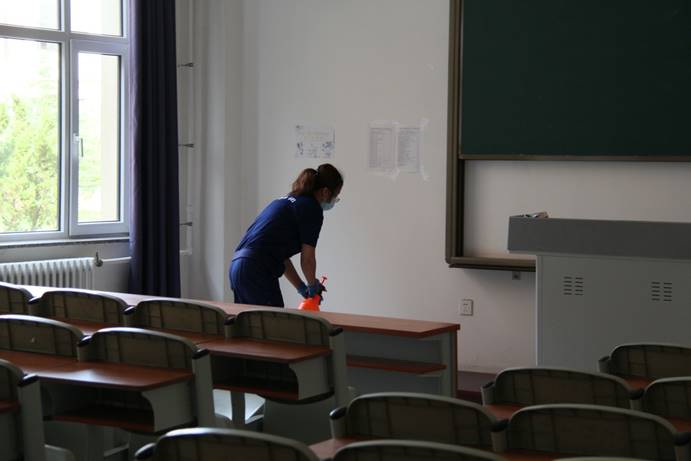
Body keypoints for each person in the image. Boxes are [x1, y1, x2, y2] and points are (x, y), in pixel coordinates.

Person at [229, 163, 343, 307]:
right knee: (272, 320)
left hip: (238, 267)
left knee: (251, 320)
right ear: (325, 192)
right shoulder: (312, 209)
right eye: (335, 196)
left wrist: (302, 287)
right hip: (257, 270)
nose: (333, 201)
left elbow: (281, 258)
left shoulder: (288, 199)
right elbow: (307, 259)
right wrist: (313, 286)